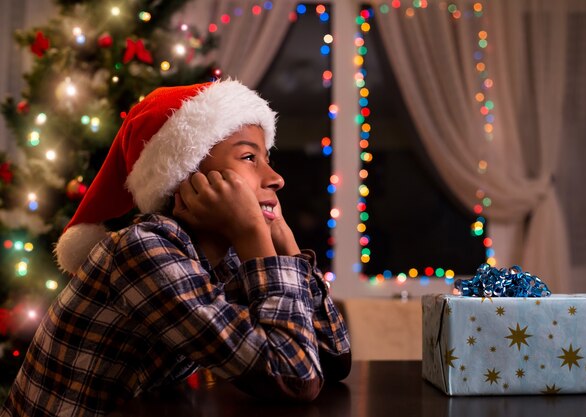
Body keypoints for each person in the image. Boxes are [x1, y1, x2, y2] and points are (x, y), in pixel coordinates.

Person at [0, 80, 351, 417]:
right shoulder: (142, 250)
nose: (276, 178)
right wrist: (253, 236)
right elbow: (295, 376)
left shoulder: (220, 259)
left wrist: (287, 249)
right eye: (249, 157)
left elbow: (333, 360)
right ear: (188, 176)